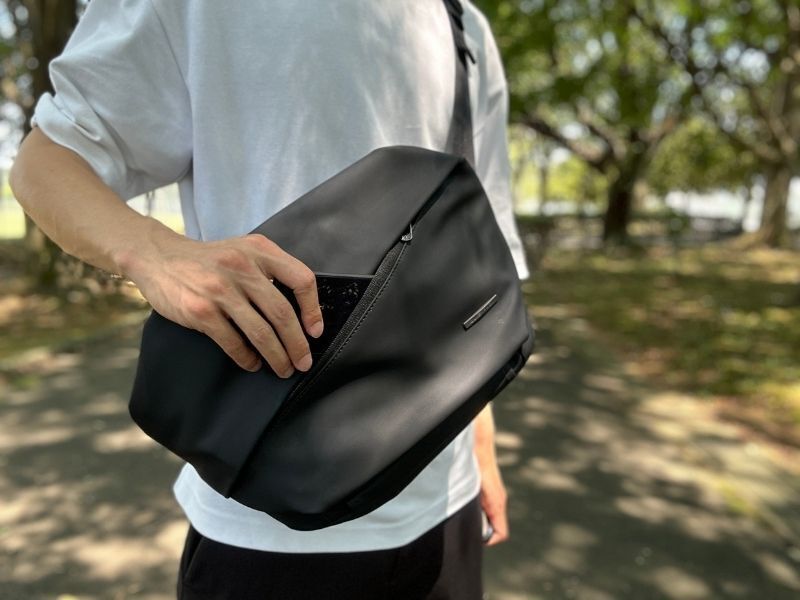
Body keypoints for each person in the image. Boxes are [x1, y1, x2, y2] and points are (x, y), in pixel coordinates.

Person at [10, 0, 531, 598]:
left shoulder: (462, 23)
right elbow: (45, 161)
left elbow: (469, 263)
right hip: (267, 533)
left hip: (447, 509)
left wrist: (480, 441)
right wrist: (156, 253)